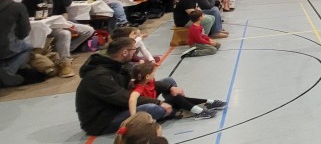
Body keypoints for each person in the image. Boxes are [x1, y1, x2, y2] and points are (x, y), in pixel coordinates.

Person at [76, 37, 226, 135]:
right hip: (103, 120)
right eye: (134, 50)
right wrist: (158, 102)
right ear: (125, 52)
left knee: (168, 82)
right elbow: (125, 98)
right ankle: (186, 109)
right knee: (154, 108)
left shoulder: (119, 66)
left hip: (120, 106)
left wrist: (168, 88)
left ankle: (189, 107)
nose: (136, 53)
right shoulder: (100, 77)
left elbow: (139, 84)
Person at [21, 0, 95, 77]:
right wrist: (64, 27)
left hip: (59, 23)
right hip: (43, 27)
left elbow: (63, 12)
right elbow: (28, 19)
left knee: (88, 30)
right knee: (64, 34)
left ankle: (62, 52)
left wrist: (66, 25)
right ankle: (65, 62)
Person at [128, 63, 216, 119]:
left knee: (175, 97)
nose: (154, 74)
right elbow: (132, 99)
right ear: (147, 76)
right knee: (174, 102)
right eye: (153, 72)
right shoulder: (140, 87)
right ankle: (200, 109)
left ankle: (205, 103)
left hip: (157, 104)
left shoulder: (149, 82)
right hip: (152, 109)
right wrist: (134, 117)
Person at [0, 0, 32, 86]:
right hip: (5, 46)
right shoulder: (16, 7)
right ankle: (8, 71)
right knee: (28, 47)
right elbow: (25, 31)